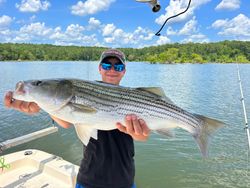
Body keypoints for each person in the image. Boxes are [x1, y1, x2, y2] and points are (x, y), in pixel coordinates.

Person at [4, 49, 150, 188]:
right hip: (89, 179)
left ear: (124, 71)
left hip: (124, 180)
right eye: (106, 65)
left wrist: (137, 133)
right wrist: (41, 103)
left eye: (118, 67)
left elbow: (143, 137)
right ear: (100, 68)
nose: (111, 70)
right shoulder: (79, 91)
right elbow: (66, 121)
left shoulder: (134, 97)